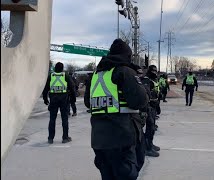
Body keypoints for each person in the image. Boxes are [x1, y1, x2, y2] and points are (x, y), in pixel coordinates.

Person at [84, 39, 148, 180]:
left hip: (99, 139)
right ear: (127, 56)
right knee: (127, 174)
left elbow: (88, 103)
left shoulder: (95, 76)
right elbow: (140, 101)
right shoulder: (125, 71)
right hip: (122, 137)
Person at [42, 62, 75, 144]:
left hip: (53, 99)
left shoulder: (51, 76)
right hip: (64, 100)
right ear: (62, 68)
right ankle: (65, 138)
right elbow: (72, 87)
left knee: (52, 119)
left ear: (55, 68)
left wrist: (45, 99)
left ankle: (50, 138)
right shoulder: (65, 75)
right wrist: (73, 98)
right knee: (64, 119)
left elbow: (45, 88)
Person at [141, 65, 161, 157]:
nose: (155, 72)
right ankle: (147, 148)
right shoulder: (146, 80)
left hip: (154, 106)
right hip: (148, 106)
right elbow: (146, 94)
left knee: (152, 128)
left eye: (156, 71)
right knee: (150, 127)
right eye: (154, 71)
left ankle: (150, 144)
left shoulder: (154, 80)